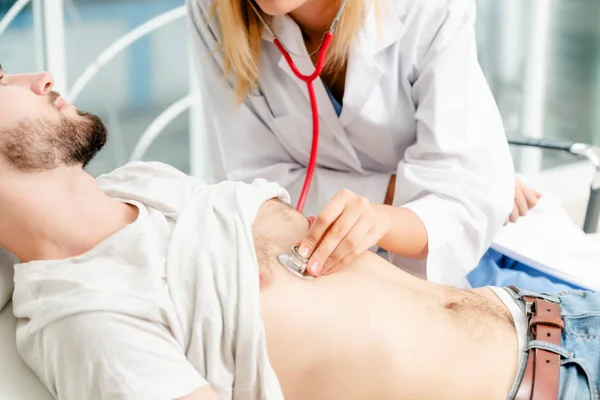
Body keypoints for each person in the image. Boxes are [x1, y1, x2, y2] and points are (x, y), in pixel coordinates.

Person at [2, 68, 597, 400]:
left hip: (557, 316)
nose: (42, 76)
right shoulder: (82, 317)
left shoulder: (145, 183)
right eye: (4, 78)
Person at [186, 0, 546, 289]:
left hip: (479, 245)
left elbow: (466, 205)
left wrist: (466, 190)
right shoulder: (214, 10)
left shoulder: (426, 9)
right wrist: (425, 189)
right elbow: (251, 183)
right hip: (323, 253)